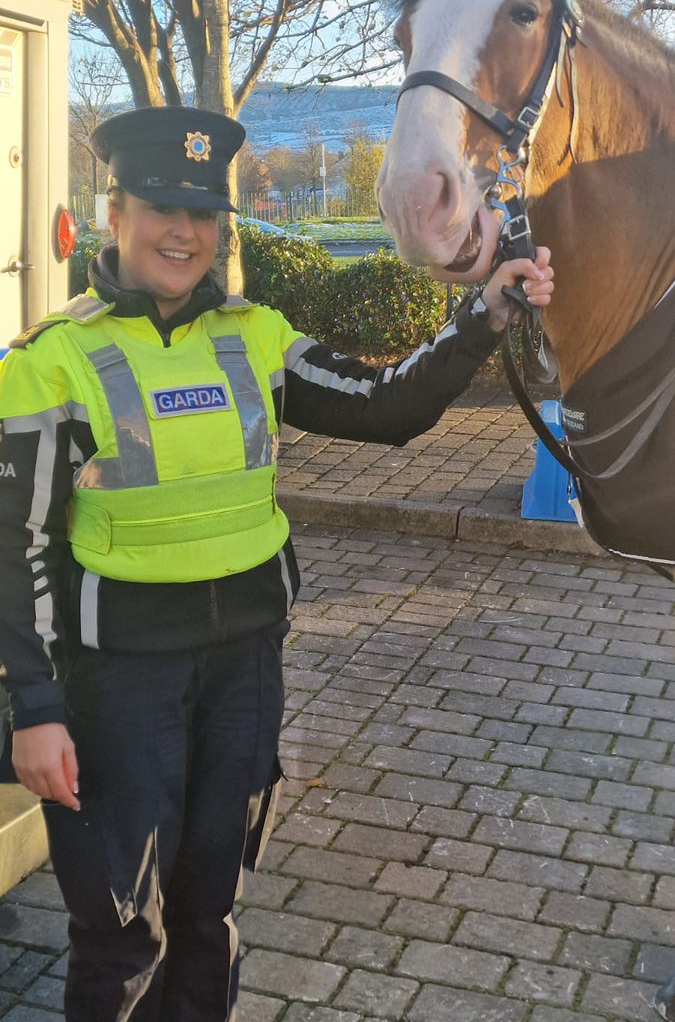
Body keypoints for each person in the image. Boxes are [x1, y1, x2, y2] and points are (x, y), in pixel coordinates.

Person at [0, 106, 554, 1022]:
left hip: (245, 673)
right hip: (117, 687)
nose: (184, 233)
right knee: (122, 934)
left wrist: (483, 314)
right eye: (160, 209)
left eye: (203, 214)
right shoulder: (50, 361)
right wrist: (35, 710)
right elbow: (13, 550)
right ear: (115, 214)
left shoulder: (254, 335)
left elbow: (381, 404)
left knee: (209, 916)